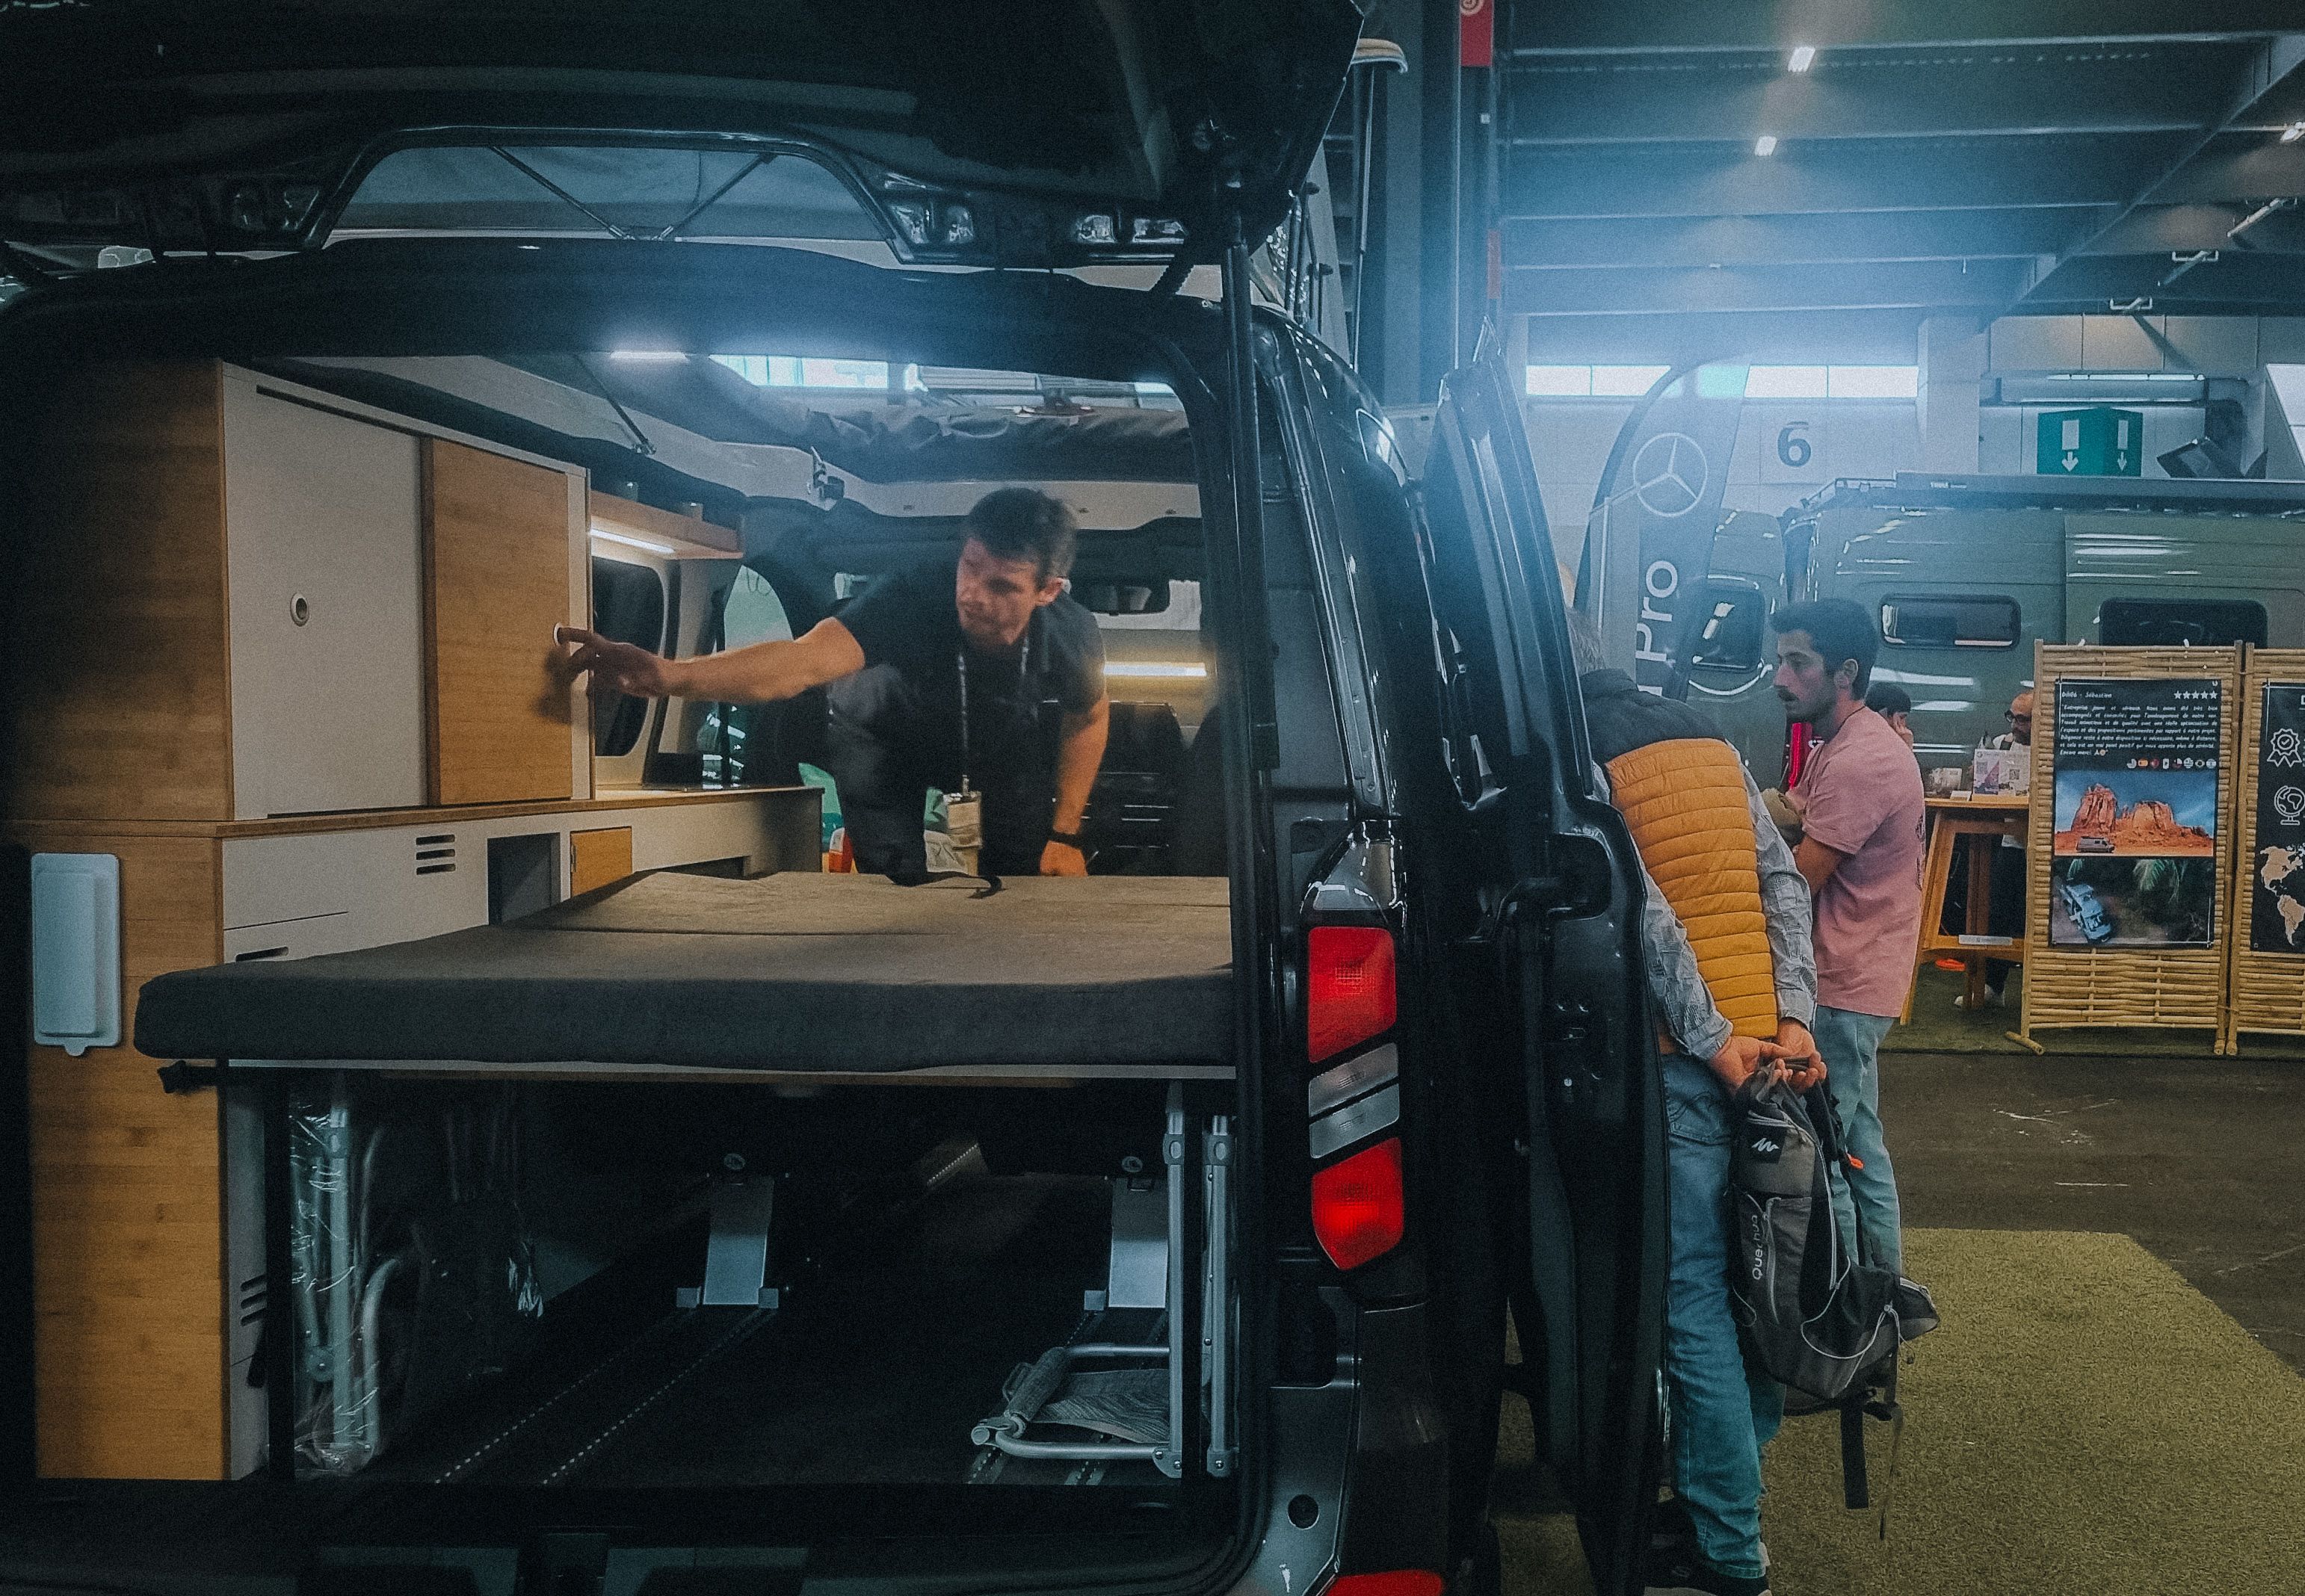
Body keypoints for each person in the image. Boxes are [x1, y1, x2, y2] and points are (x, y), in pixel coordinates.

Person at [1573, 616, 1821, 1596]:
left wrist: (1711, 1039)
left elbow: (1640, 912)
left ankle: (1728, 1547)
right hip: (1771, 1058)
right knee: (1756, 1282)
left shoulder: (1585, 757)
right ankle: (1735, 1487)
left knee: (1690, 1302)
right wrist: (1792, 1017)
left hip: (1693, 1063)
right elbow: (1781, 883)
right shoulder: (1710, 740)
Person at [561, 487, 1110, 878]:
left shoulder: (1071, 635)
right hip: (883, 738)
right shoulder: (909, 598)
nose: (973, 594)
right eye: (969, 567)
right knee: (895, 883)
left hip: (996, 751)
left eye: (1002, 586)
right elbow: (799, 663)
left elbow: (1089, 718)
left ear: (1048, 591)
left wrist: (1065, 835)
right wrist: (669, 675)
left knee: (1025, 875)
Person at [1768, 598, 1922, 1275]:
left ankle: (1849, 1309)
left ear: (1845, 672)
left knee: (1826, 1154)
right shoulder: (1841, 745)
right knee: (1858, 1143)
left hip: (1842, 983)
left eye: (1797, 663)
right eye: (1780, 661)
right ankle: (1883, 1296)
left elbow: (1797, 882)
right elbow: (1792, 814)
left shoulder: (1863, 760)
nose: (1781, 678)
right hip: (1855, 977)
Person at [1864, 682, 1914, 750]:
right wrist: (1905, 745)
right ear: (1885, 714)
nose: (1904, 723)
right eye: (1901, 717)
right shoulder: (1874, 742)